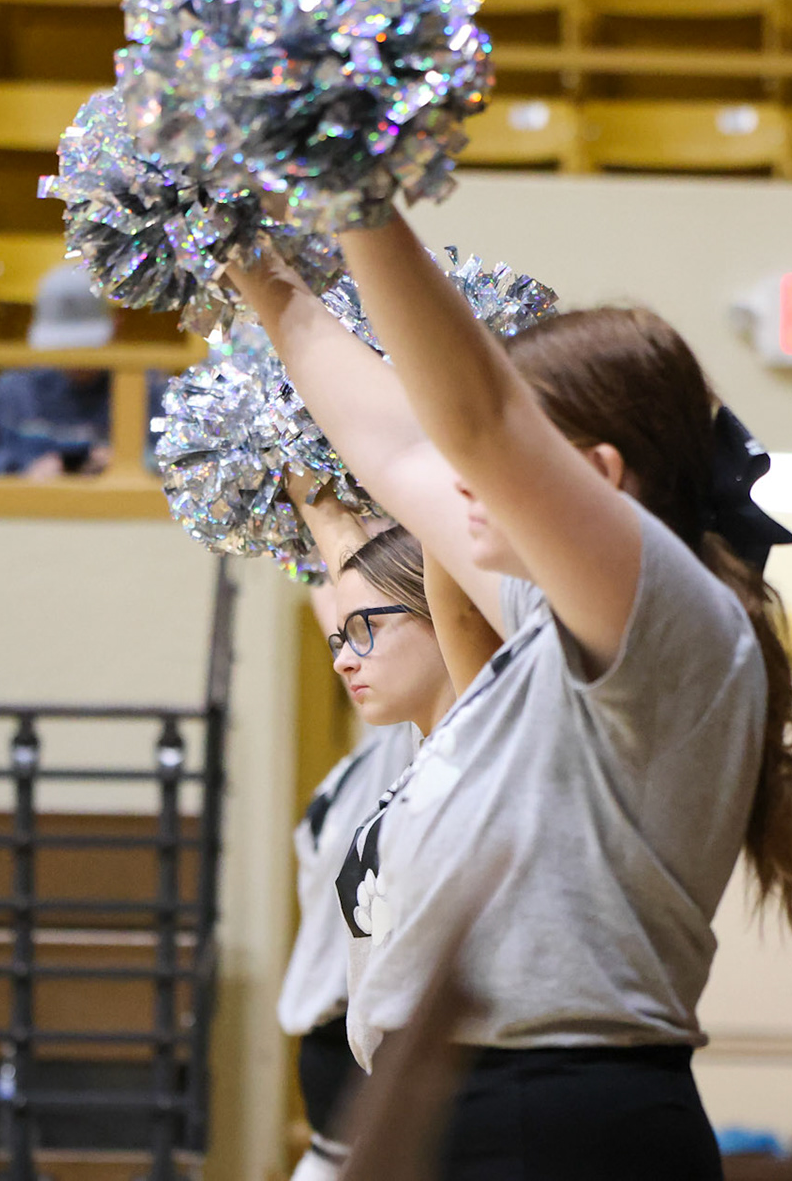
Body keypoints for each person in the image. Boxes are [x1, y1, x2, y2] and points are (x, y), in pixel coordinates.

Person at [227, 215, 792, 1181]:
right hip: (464, 1108)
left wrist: (359, 189)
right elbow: (400, 452)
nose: (456, 484)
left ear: (591, 479)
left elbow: (473, 426)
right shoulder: (552, 623)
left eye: (495, 473)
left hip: (553, 1119)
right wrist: (255, 266)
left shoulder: (672, 614)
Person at [279, 491, 500, 1181]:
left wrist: (309, 485)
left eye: (365, 630)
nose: (344, 659)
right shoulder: (415, 764)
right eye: (338, 639)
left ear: (448, 611)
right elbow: (348, 584)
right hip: (370, 1124)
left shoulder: (487, 737)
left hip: (464, 1115)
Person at [0, 265, 165, 479]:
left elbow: (191, 460)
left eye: (86, 345)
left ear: (116, 327)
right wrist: (18, 470)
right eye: (63, 347)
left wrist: (130, 465)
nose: (75, 358)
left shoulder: (148, 389)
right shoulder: (14, 389)